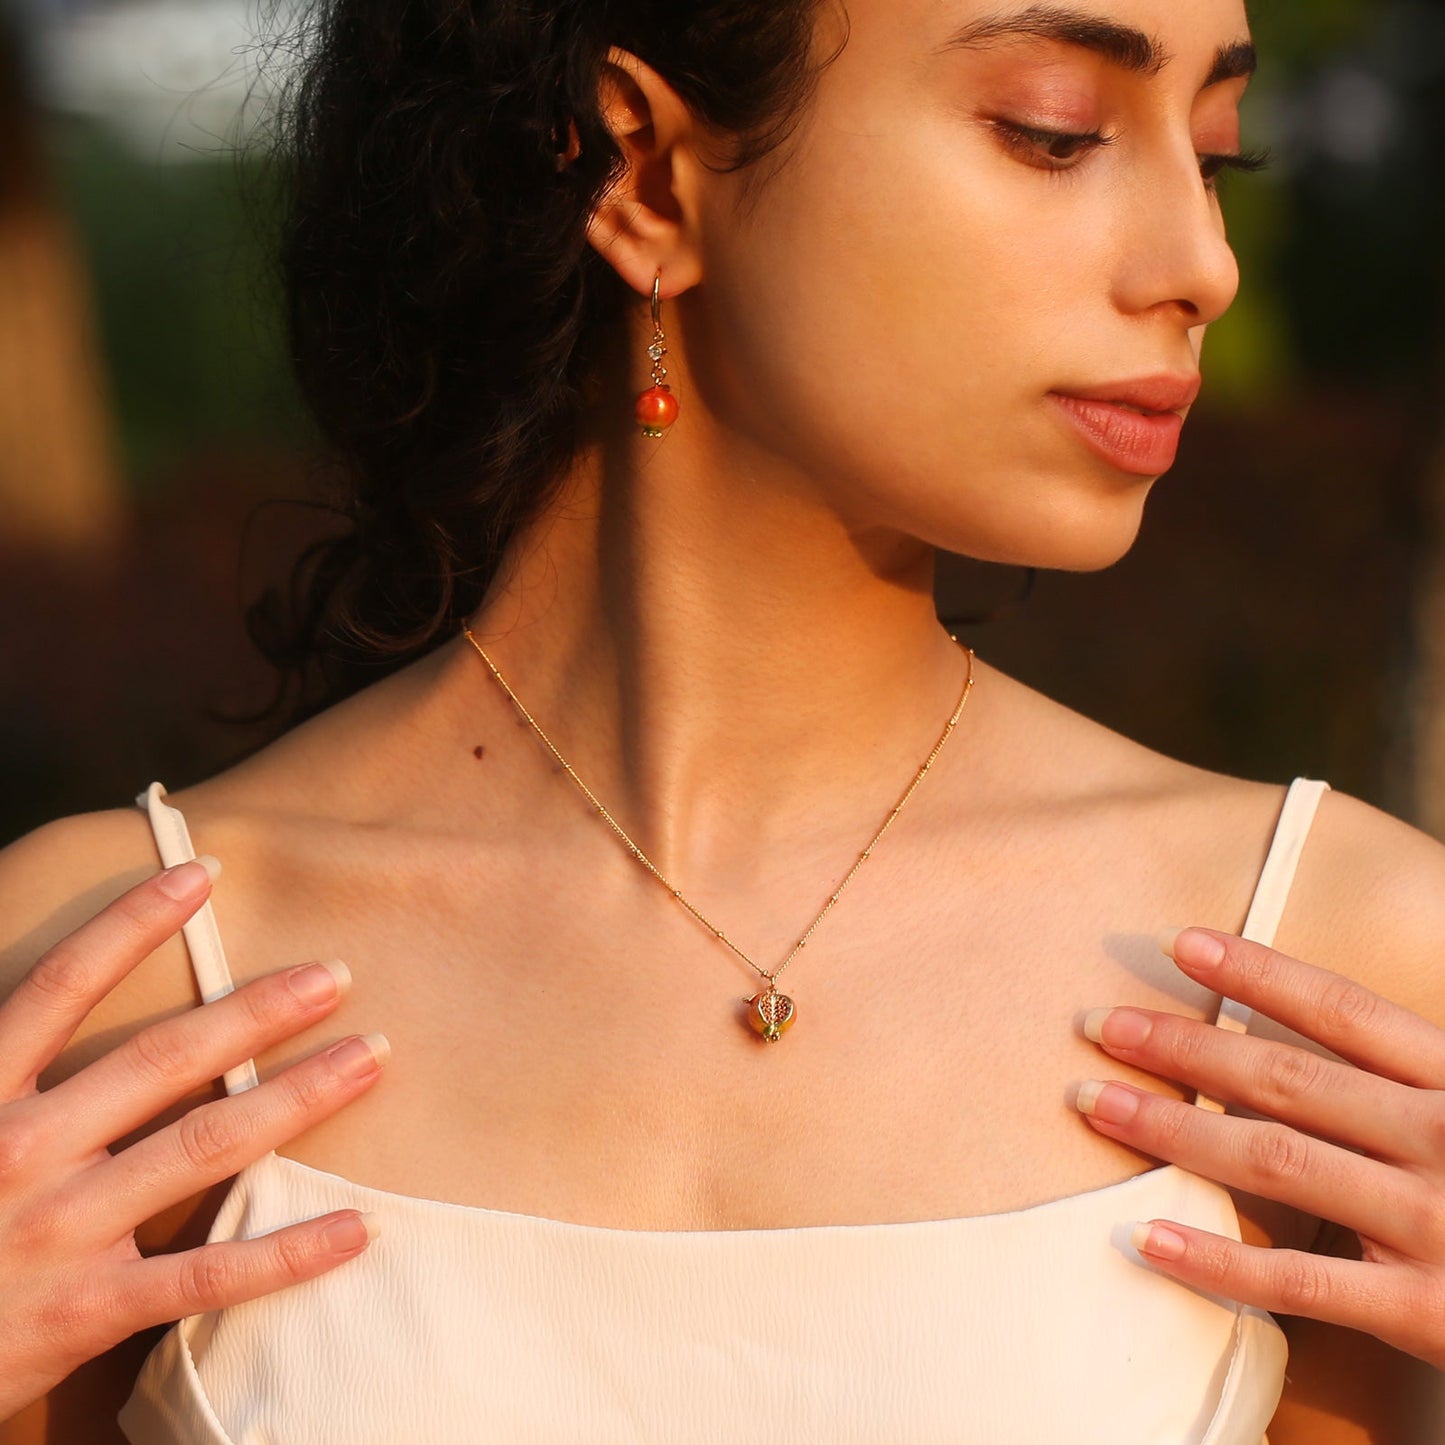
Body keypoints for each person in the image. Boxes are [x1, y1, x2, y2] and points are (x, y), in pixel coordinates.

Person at [3, 0, 1445, 1439]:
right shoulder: (101, 984)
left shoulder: (1339, 982)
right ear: (642, 176)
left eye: (1213, 154)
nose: (1203, 263)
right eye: (1053, 133)